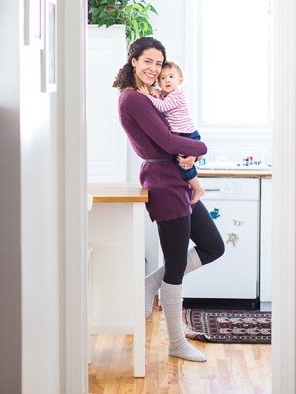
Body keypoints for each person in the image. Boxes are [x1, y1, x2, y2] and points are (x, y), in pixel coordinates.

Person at [112, 36, 225, 362]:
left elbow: (174, 135)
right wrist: (200, 149)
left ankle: (150, 283)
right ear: (133, 60)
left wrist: (186, 155)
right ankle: (176, 343)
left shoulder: (152, 95)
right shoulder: (132, 99)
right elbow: (164, 139)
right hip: (163, 182)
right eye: (147, 61)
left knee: (213, 246)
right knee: (176, 264)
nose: (153, 68)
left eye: (159, 63)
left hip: (177, 179)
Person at [142, 61, 206, 205]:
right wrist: (156, 91)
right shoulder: (166, 94)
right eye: (163, 78)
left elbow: (163, 107)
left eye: (171, 76)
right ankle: (194, 187)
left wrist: (149, 95)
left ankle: (198, 188)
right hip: (182, 134)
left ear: (180, 81)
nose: (167, 80)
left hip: (188, 134)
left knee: (184, 165)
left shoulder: (177, 95)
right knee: (183, 164)